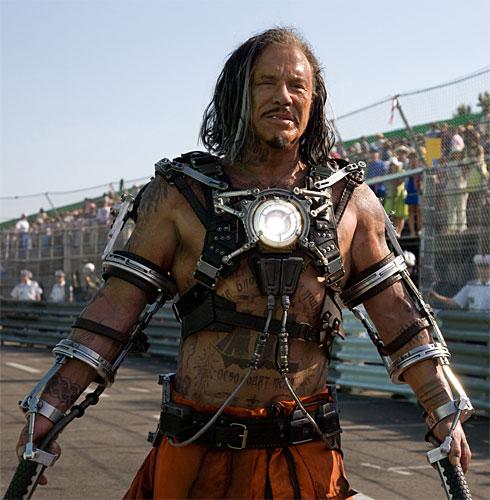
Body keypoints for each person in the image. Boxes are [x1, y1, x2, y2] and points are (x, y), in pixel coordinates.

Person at [16, 28, 471, 499]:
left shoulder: (349, 201)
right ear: (238, 93)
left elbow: (399, 318)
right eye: (266, 83)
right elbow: (114, 312)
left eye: (297, 86)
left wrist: (444, 410)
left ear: (314, 101)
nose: (284, 97)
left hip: (306, 460)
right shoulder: (180, 194)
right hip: (194, 458)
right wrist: (49, 406)